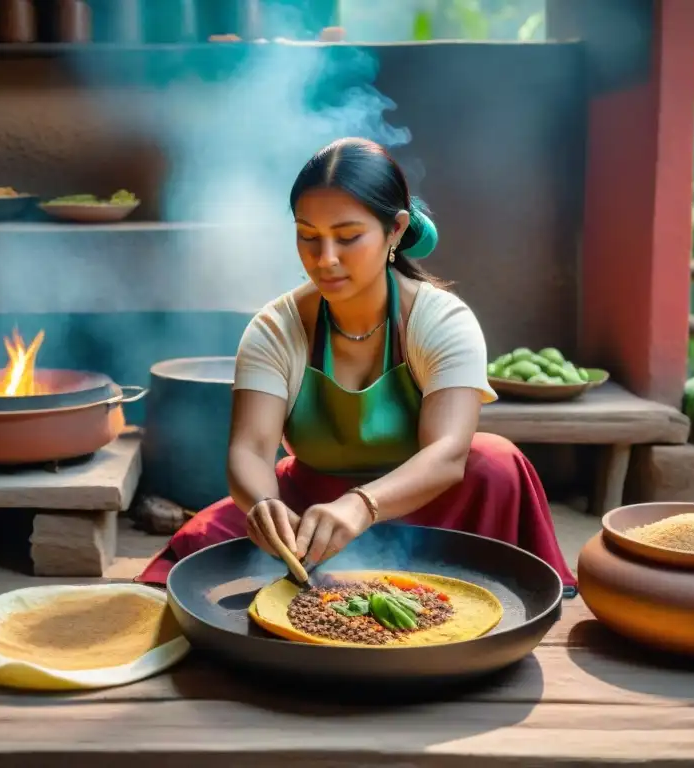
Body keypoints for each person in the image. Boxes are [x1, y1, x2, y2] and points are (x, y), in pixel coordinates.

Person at [138, 137, 576, 588]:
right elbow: (250, 449)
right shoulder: (276, 327)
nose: (324, 259)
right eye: (308, 236)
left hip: (428, 502)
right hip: (308, 509)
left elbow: (447, 456)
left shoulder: (442, 320)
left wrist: (361, 505)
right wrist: (262, 506)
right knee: (196, 551)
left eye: (347, 237)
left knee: (495, 462)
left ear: (396, 230)